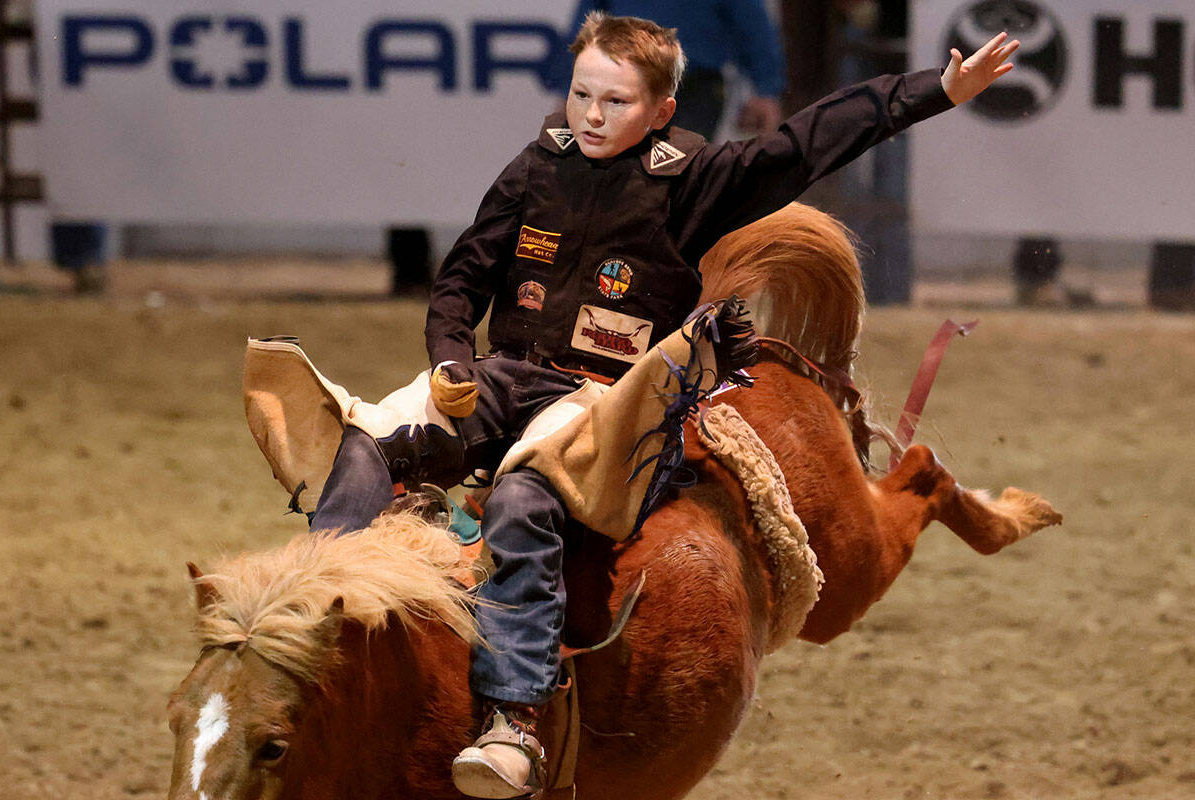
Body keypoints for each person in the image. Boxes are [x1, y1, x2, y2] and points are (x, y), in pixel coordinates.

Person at [306, 13, 1018, 798]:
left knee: (523, 496)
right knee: (362, 445)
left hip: (608, 400)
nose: (590, 116)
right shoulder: (537, 166)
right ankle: (316, 631)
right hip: (504, 376)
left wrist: (938, 90)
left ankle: (512, 719)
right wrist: (450, 356)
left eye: (614, 101)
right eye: (580, 95)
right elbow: (462, 277)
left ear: (662, 111)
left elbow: (809, 141)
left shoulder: (696, 180)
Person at [551, 0, 786, 138]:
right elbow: (586, 27)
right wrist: (571, 90)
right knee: (622, 178)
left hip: (694, 87)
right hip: (624, 84)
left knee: (680, 174)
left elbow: (752, 23)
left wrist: (766, 89)